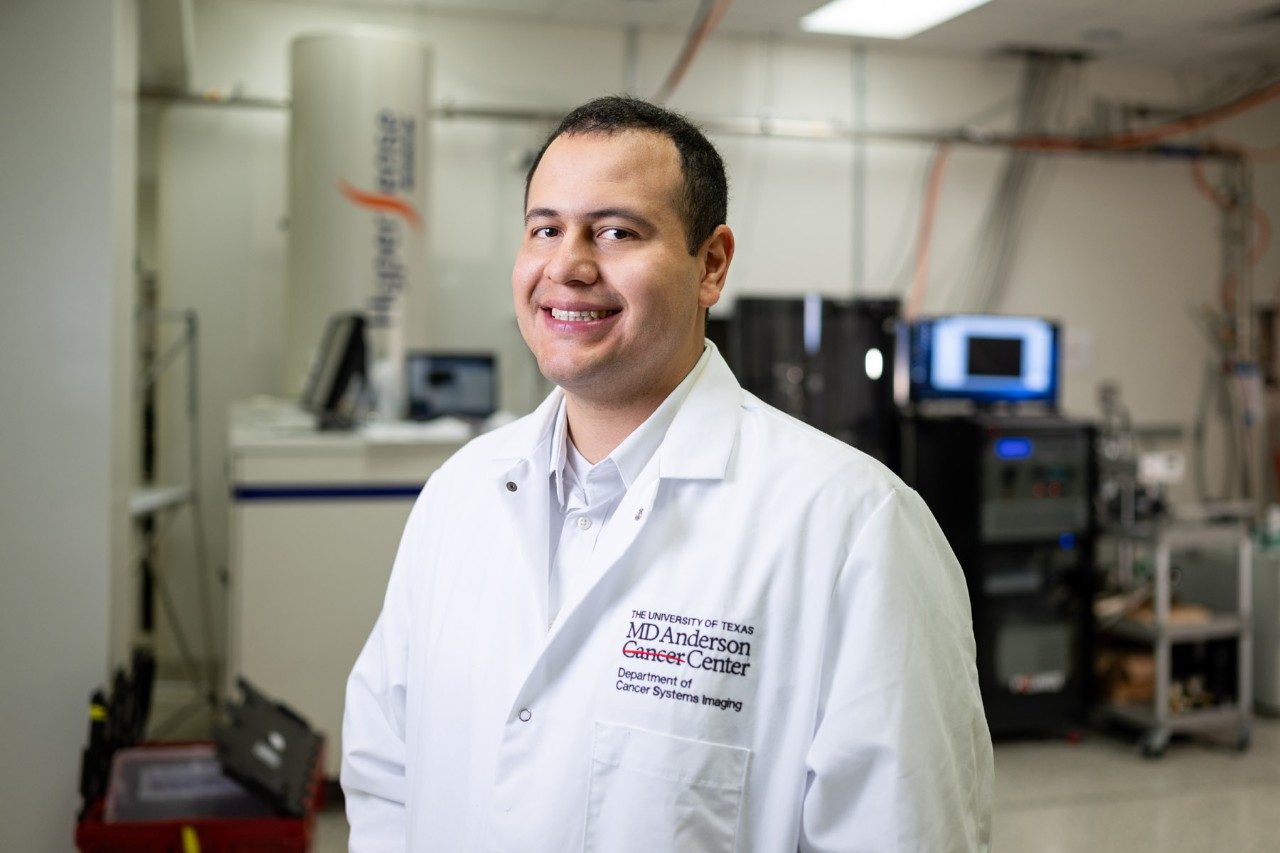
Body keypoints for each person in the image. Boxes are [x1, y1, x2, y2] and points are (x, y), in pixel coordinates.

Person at [342, 95, 993, 852]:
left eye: (616, 231)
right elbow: (384, 765)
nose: (568, 265)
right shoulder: (460, 493)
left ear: (711, 264)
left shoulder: (853, 527)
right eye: (545, 229)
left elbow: (906, 829)